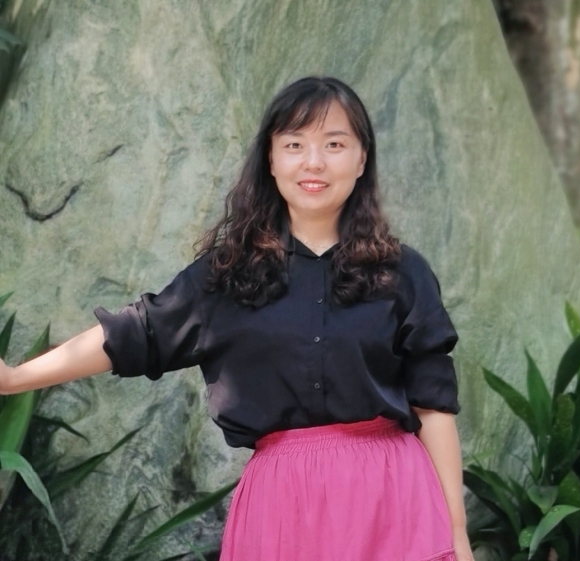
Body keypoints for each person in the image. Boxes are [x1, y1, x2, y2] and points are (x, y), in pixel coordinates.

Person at [0, 76, 474, 561]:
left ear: (361, 159)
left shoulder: (403, 272)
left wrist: (456, 532)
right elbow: (134, 333)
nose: (314, 162)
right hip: (281, 507)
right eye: (294, 144)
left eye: (334, 144)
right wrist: (13, 379)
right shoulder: (226, 275)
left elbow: (433, 406)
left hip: (390, 500)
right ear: (271, 159)